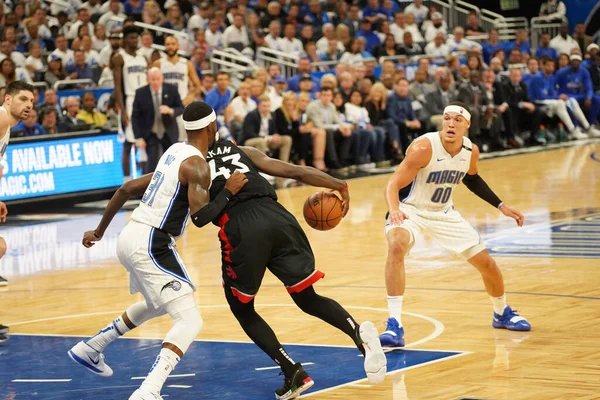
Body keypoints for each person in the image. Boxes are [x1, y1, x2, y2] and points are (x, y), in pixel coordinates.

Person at [68, 101, 248, 399]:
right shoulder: (197, 165)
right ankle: (149, 390)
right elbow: (201, 217)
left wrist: (98, 232)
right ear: (211, 127)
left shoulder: (173, 152)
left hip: (130, 236)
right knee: (190, 320)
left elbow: (126, 189)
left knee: (158, 303)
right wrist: (229, 190)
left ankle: (91, 347)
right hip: (151, 241)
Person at [205, 136, 387, 400]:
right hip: (279, 218)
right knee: (307, 297)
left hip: (242, 227)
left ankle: (293, 372)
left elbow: (200, 213)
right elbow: (295, 171)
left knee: (242, 308)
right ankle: (357, 332)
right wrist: (340, 185)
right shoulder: (243, 151)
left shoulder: (193, 163)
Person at [379, 101, 531, 349]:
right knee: (396, 245)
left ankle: (501, 312)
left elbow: (471, 179)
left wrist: (502, 206)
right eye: (447, 118)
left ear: (467, 125)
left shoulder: (471, 151)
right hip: (410, 209)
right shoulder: (424, 147)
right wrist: (395, 210)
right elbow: (393, 184)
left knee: (487, 264)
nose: (450, 123)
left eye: (457, 120)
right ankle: (394, 324)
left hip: (443, 212)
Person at [0, 81, 35, 341]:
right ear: (8, 99)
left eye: (32, 102)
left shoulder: (7, 127)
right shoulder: (1, 119)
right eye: (23, 99)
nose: (28, 106)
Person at [528, 56, 600, 139]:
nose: (551, 68)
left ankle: (587, 127)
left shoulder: (551, 77)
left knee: (571, 101)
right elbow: (540, 97)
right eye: (548, 65)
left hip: (548, 100)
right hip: (537, 101)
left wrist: (557, 97)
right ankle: (573, 130)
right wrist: (558, 97)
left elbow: (552, 93)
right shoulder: (537, 78)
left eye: (552, 66)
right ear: (542, 66)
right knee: (560, 103)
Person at [112, 25, 148, 182]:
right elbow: (117, 87)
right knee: (128, 143)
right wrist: (123, 109)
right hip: (129, 100)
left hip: (144, 101)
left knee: (145, 141)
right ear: (125, 39)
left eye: (136, 37)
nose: (134, 40)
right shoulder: (119, 57)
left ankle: (146, 180)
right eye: (131, 37)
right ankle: (127, 181)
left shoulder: (143, 58)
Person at [132, 68, 184, 174]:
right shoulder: (140, 93)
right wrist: (138, 137)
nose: (155, 82)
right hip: (150, 132)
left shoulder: (172, 89)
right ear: (147, 80)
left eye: (158, 79)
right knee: (151, 163)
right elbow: (135, 117)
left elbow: (181, 108)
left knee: (172, 161)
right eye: (153, 79)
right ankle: (150, 187)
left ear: (162, 79)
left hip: (169, 131)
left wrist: (171, 110)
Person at [153, 35, 202, 141]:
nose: (170, 47)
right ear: (164, 47)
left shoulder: (186, 64)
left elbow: (198, 86)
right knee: (165, 141)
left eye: (173, 44)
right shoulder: (158, 63)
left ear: (178, 46)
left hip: (182, 104)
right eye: (167, 44)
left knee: (184, 140)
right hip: (164, 106)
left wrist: (191, 95)